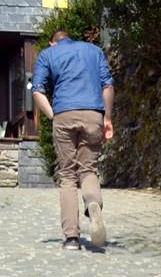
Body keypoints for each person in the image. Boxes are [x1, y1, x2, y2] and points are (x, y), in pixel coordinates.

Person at [31, 29, 115, 251]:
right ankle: (93, 203)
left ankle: (71, 238)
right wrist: (107, 117)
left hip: (64, 114)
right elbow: (107, 85)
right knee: (88, 169)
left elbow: (37, 92)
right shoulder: (94, 50)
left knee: (67, 174)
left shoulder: (48, 55)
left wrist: (53, 115)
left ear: (52, 43)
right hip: (93, 114)